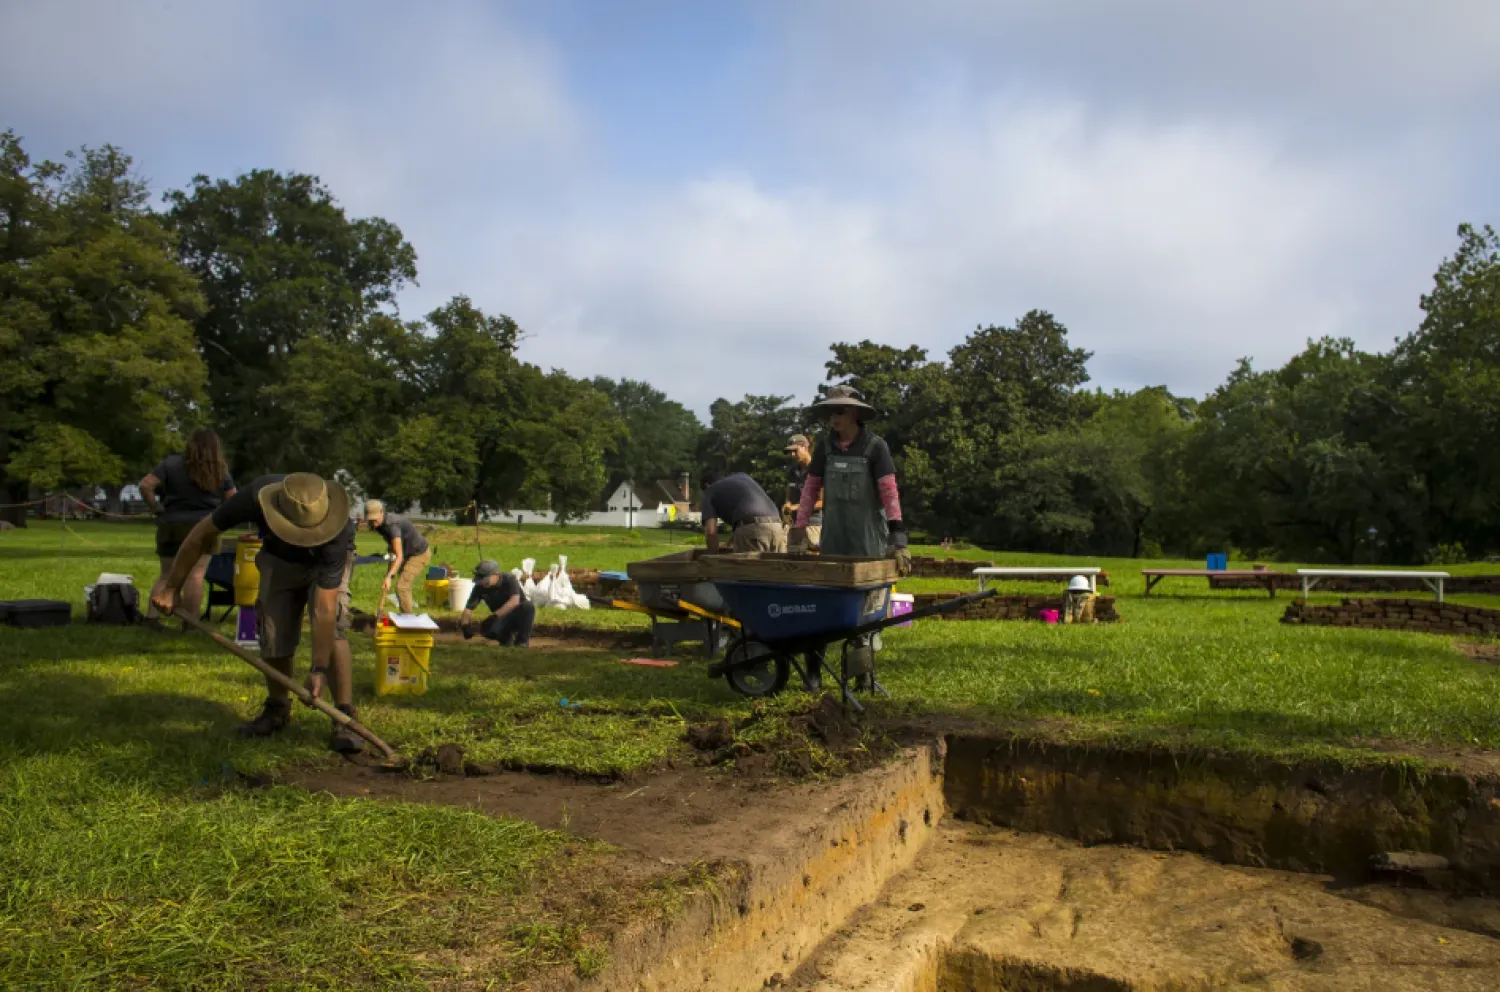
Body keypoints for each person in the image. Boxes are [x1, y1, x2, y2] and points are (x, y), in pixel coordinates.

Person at [150, 472, 365, 754]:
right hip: (278, 558)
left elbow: (324, 607)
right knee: (272, 627)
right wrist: (171, 587)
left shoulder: (337, 533)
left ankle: (344, 717)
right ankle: (278, 709)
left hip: (323, 564)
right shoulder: (252, 498)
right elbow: (199, 535)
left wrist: (318, 668)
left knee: (334, 625)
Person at [789, 385, 910, 574]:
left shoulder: (876, 447)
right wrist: (800, 528)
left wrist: (898, 535)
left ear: (854, 412)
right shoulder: (825, 448)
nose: (833, 418)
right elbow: (810, 489)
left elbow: (889, 492)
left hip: (868, 539)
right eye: (831, 413)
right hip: (833, 538)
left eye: (839, 412)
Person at [139, 428, 236, 627]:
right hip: (205, 526)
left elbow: (145, 485)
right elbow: (233, 499)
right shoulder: (220, 469)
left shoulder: (171, 464)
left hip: (171, 524)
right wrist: (220, 517)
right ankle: (190, 622)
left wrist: (156, 507)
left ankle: (152, 618)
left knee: (166, 574)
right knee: (196, 575)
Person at [363, 499, 433, 614]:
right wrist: (389, 574)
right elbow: (393, 550)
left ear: (381, 512)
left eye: (375, 519)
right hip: (405, 553)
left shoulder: (392, 525)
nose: (373, 523)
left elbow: (399, 556)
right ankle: (406, 617)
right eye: (370, 520)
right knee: (401, 586)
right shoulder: (379, 525)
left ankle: (409, 623)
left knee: (401, 587)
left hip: (418, 554)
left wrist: (389, 577)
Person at [700, 472, 786, 553]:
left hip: (754, 531)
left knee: (749, 568)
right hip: (777, 525)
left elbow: (710, 531)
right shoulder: (742, 477)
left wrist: (712, 558)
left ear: (707, 485)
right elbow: (744, 521)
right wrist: (729, 544)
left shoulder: (710, 490)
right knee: (776, 567)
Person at [460, 559, 535, 647]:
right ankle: (505, 640)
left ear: (496, 574)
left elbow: (514, 601)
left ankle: (522, 642)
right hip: (501, 619)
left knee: (528, 606)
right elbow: (468, 609)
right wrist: (465, 625)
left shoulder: (509, 579)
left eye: (486, 580)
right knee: (487, 629)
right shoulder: (480, 587)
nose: (483, 584)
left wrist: (494, 617)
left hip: (517, 616)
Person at [782, 434, 823, 550]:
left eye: (795, 450)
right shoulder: (792, 472)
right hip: (794, 526)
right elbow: (789, 497)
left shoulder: (817, 470)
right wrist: (786, 506)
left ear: (805, 447)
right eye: (790, 452)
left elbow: (822, 502)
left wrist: (796, 507)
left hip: (812, 526)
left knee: (812, 565)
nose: (793, 455)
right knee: (790, 564)